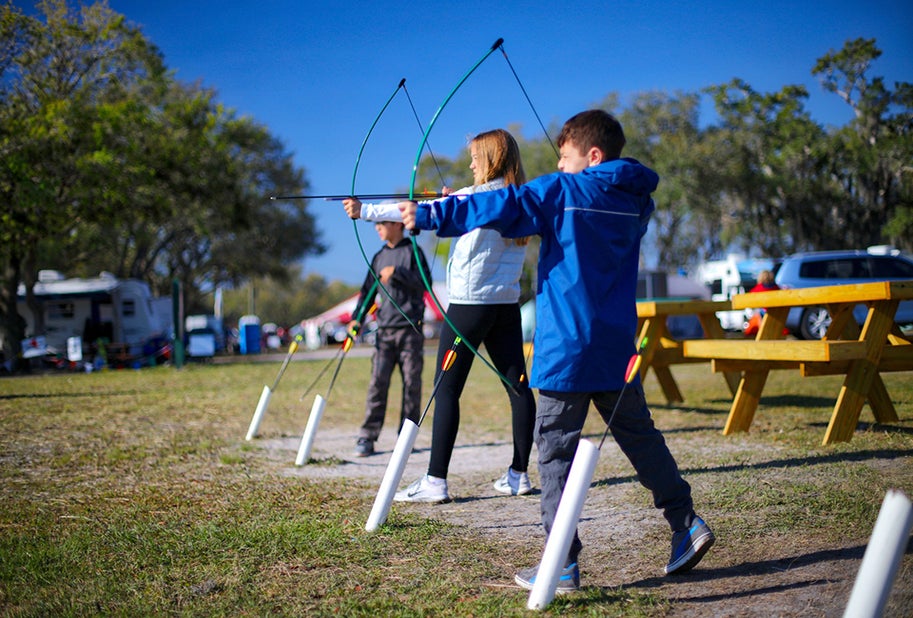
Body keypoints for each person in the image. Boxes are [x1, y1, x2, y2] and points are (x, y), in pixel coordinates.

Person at [400, 110, 714, 590]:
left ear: (593, 156)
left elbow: (505, 203)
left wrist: (431, 214)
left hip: (567, 349)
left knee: (554, 453)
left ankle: (561, 563)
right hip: (615, 347)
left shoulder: (563, 191)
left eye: (565, 157)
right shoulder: (635, 201)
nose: (559, 165)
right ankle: (685, 522)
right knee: (640, 437)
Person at [343, 128, 537, 503]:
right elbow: (453, 210)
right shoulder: (520, 198)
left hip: (469, 307)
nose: (471, 164)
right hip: (506, 304)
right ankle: (519, 475)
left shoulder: (473, 196)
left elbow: (418, 212)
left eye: (475, 158)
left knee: (446, 389)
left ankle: (435, 480)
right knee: (517, 386)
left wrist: (365, 211)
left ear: (491, 160)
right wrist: (454, 200)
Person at [350, 219, 429, 457]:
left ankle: (406, 439)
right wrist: (357, 318)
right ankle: (367, 436)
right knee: (377, 383)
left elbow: (424, 283)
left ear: (396, 224)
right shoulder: (378, 257)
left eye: (382, 223)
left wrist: (398, 273)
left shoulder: (414, 252)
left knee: (411, 385)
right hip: (384, 332)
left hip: (410, 331)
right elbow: (367, 291)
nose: (377, 228)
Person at [744, 269, 781, 336]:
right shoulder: (776, 288)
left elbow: (749, 298)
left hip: (764, 314)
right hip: (776, 315)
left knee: (757, 312)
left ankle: (761, 332)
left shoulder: (759, 288)